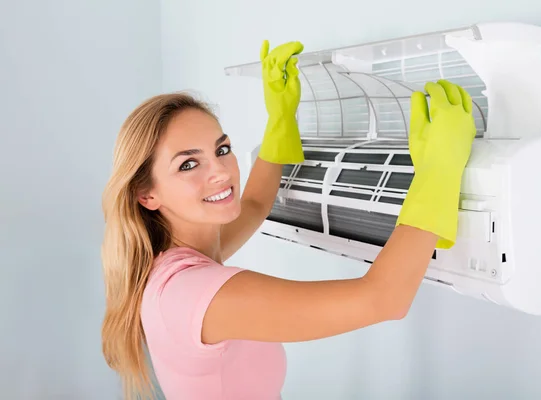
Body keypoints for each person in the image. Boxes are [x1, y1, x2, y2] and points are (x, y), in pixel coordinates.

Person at [100, 40, 476, 400]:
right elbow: (382, 299)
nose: (221, 172)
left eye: (222, 149)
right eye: (188, 164)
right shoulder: (193, 291)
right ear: (147, 194)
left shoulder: (173, 259)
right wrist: (439, 171)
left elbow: (255, 204)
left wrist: (281, 118)